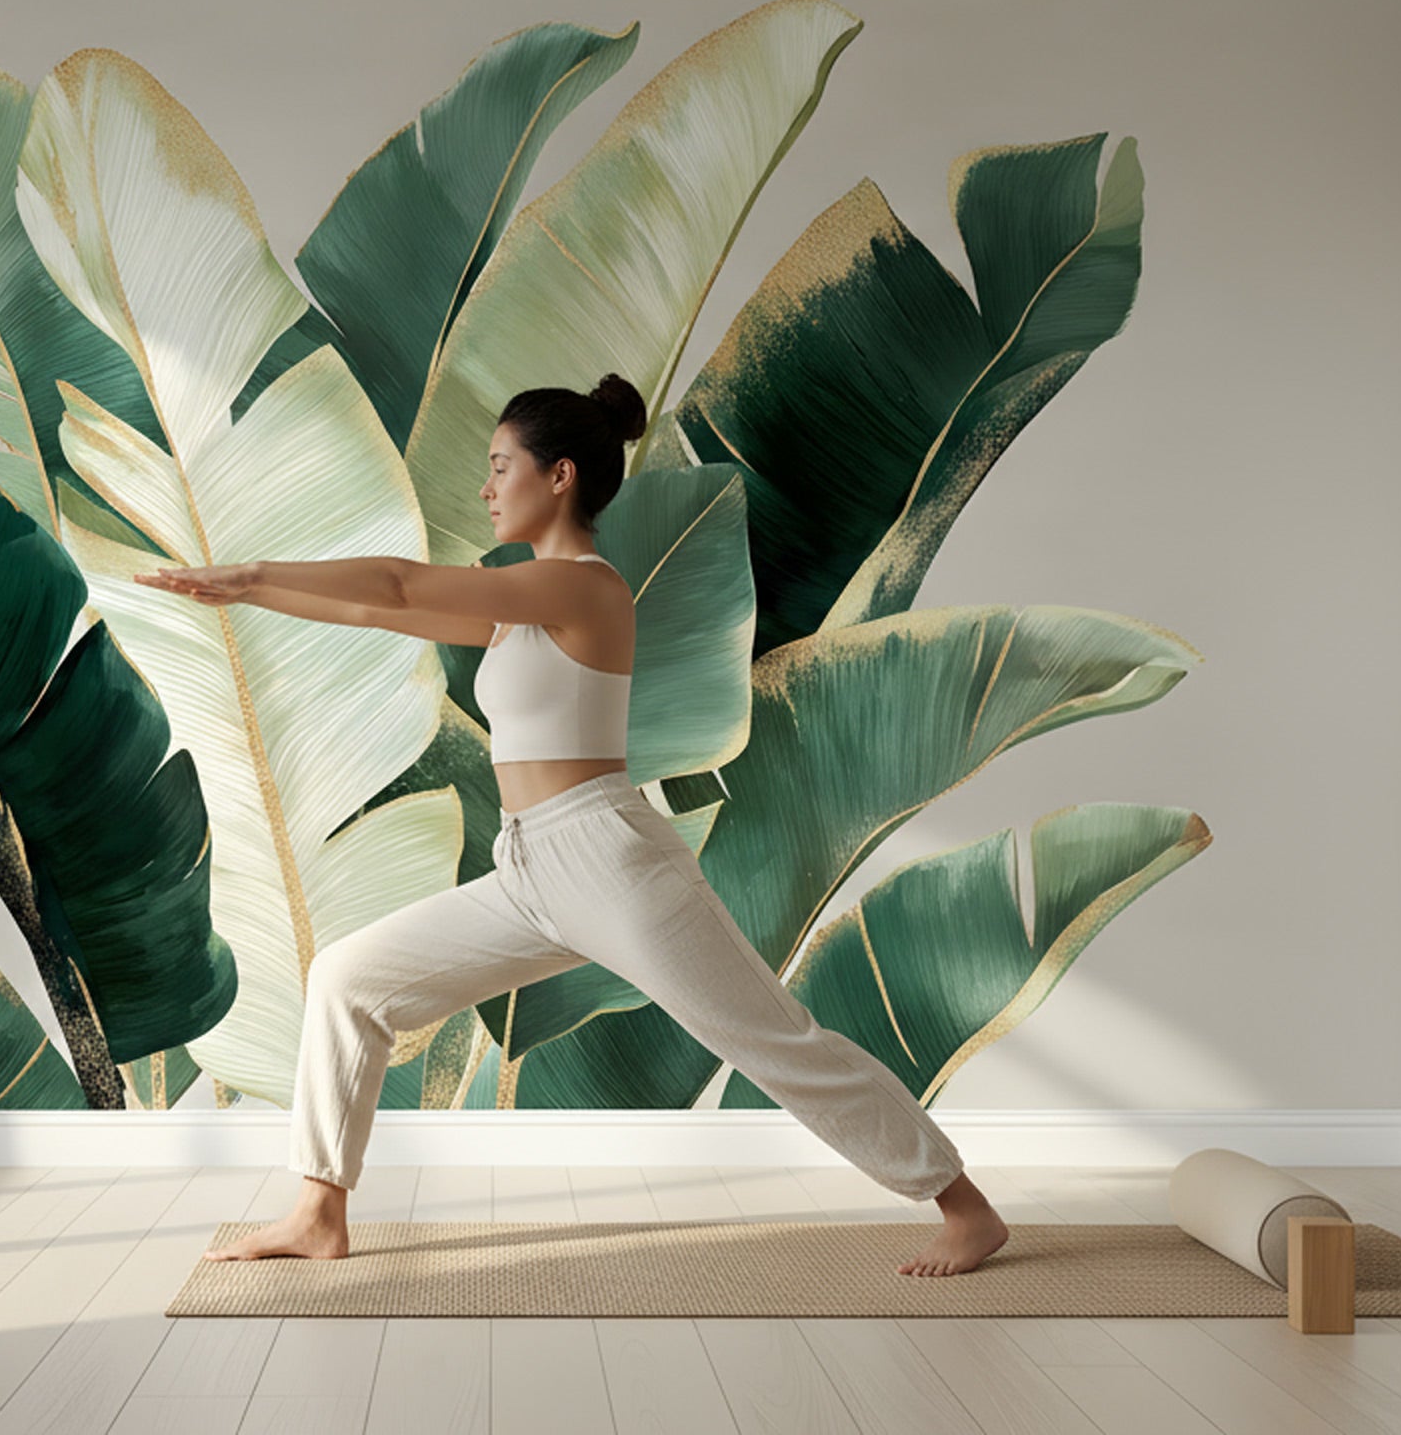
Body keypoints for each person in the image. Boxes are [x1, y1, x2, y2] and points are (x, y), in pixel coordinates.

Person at [134, 373, 1011, 1277]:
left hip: (610, 862)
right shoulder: (520, 604)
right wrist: (244, 597)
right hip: (528, 870)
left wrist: (250, 572)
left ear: (558, 477)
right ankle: (319, 1211)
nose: (486, 486)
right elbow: (373, 607)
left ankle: (962, 1205)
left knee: (772, 1039)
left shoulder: (582, 590)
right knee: (348, 980)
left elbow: (395, 582)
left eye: (500, 466)